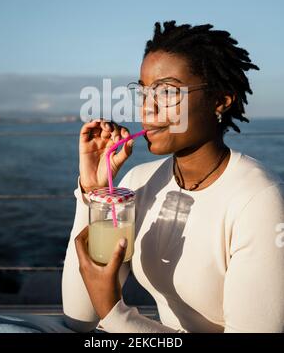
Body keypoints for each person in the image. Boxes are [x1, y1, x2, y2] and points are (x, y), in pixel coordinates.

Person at [62, 21, 284, 333]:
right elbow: (79, 316)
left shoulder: (259, 201)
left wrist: (115, 314)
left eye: (167, 92)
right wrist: (93, 192)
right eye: (143, 92)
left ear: (220, 100)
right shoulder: (139, 183)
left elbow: (103, 315)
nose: (148, 109)